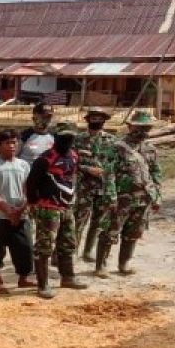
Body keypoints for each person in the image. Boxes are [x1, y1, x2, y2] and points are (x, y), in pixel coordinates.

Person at [95, 109, 162, 278]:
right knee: (110, 230)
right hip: (121, 197)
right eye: (139, 128)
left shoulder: (150, 149)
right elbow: (108, 173)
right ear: (130, 127)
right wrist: (111, 196)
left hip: (143, 197)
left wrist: (157, 196)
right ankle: (100, 266)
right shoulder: (117, 148)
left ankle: (124, 263)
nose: (143, 132)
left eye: (146, 128)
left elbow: (155, 172)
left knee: (134, 231)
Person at [26, 122, 89, 299]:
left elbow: (72, 178)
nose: (67, 141)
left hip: (67, 207)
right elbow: (31, 183)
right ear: (55, 138)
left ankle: (68, 277)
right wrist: (34, 204)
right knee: (44, 247)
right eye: (64, 138)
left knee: (68, 242)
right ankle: (43, 284)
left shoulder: (74, 156)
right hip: (48, 209)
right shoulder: (45, 159)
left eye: (71, 138)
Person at [0, 131, 34, 294]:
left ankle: (23, 279)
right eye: (8, 143)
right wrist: (7, 210)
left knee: (25, 248)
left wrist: (20, 209)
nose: (12, 146)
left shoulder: (24, 165)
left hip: (20, 215)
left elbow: (27, 190)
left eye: (14, 143)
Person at [74, 108, 118, 262]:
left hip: (103, 187)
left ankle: (87, 252)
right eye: (93, 117)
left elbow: (114, 165)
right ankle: (73, 253)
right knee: (79, 220)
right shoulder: (78, 140)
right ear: (88, 120)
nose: (96, 120)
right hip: (83, 186)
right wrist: (87, 169)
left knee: (98, 222)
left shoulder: (112, 141)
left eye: (100, 118)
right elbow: (72, 162)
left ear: (104, 120)